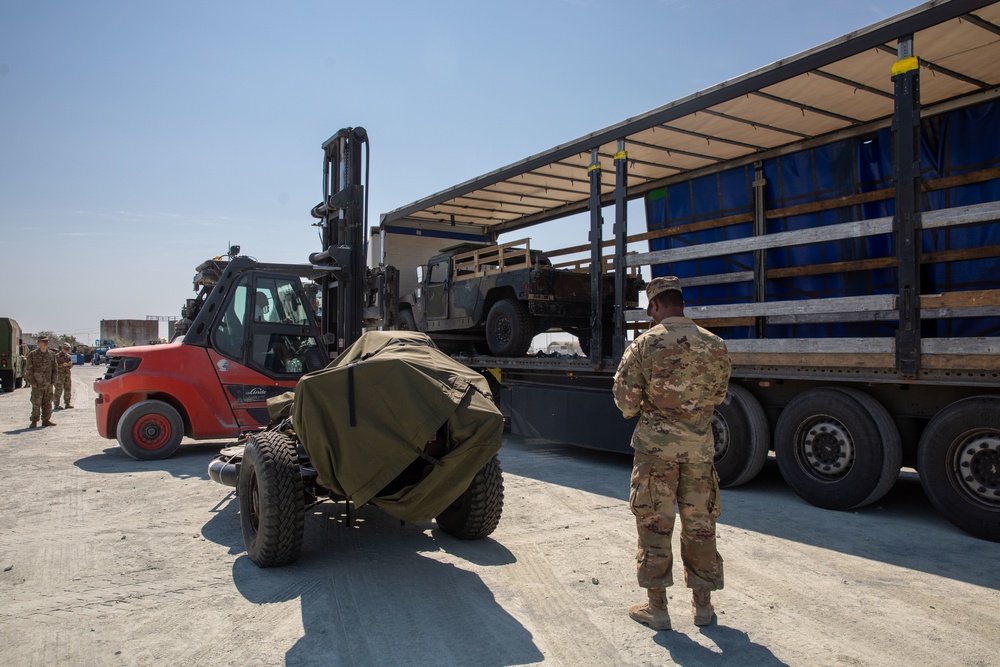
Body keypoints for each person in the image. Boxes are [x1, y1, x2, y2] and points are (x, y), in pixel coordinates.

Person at [613, 276, 731, 631]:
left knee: (654, 525)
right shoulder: (715, 345)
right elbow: (719, 396)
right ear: (680, 302)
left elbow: (626, 404)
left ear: (654, 306)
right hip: (699, 452)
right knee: (700, 527)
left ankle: (657, 609)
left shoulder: (644, 346)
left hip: (655, 454)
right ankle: (704, 609)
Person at [25, 336, 58, 428]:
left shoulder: (52, 355)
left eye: (47, 341)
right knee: (36, 402)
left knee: (48, 402)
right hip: (37, 384)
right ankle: (34, 421)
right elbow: (28, 369)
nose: (46, 343)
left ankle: (46, 420)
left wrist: (53, 381)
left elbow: (55, 369)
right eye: (44, 341)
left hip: (48, 383)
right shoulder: (33, 354)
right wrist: (31, 381)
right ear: (39, 343)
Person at [53, 342, 74, 410]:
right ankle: (56, 404)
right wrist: (62, 365)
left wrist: (69, 364)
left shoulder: (68, 356)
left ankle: (67, 403)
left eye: (67, 350)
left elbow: (71, 365)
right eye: (65, 349)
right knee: (58, 390)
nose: (66, 351)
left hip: (67, 375)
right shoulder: (57, 356)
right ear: (62, 348)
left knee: (68, 389)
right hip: (60, 376)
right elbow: (54, 366)